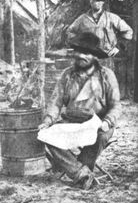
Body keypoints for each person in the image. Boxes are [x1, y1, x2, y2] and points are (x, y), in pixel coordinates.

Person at [38, 32, 121, 190]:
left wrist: (107, 121)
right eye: (78, 51)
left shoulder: (106, 76)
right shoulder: (67, 75)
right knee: (45, 135)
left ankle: (76, 169)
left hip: (97, 123)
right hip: (71, 122)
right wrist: (48, 120)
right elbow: (55, 102)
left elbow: (116, 105)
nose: (81, 55)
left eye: (87, 53)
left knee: (101, 135)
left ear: (95, 56)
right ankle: (79, 173)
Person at [67, 0, 133, 67]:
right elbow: (69, 32)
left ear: (103, 2)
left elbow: (128, 32)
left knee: (106, 78)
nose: (97, 3)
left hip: (106, 59)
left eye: (99, 0)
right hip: (89, 60)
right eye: (94, 0)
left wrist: (117, 48)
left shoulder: (112, 18)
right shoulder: (82, 19)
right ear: (90, 1)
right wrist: (81, 46)